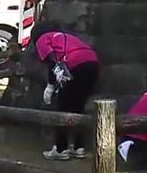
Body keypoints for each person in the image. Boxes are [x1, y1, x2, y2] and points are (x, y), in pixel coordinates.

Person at [32, 21, 99, 160]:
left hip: (74, 66)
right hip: (93, 63)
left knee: (62, 107)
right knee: (78, 106)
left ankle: (61, 149)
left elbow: (52, 63)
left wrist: (50, 87)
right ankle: (78, 147)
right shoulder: (67, 37)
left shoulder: (42, 39)